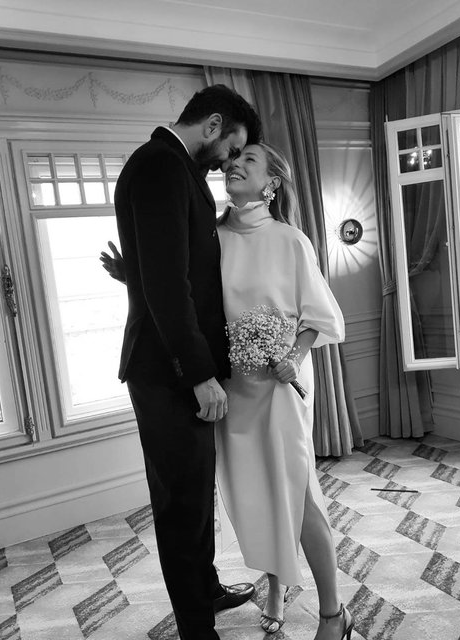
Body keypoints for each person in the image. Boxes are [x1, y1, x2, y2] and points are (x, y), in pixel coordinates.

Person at [103, 141, 354, 640]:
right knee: (255, 499)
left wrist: (293, 356)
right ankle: (276, 587)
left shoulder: (290, 241)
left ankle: (333, 613)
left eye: (249, 160)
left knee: (299, 495)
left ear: (272, 182)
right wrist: (133, 275)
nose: (234, 164)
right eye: (233, 159)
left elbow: (320, 318)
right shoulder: (210, 239)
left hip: (279, 390)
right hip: (229, 392)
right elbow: (177, 290)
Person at [111, 84, 262, 640]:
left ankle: (207, 589)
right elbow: (169, 286)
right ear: (213, 124)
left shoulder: (173, 167)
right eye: (231, 147)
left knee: (197, 496)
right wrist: (198, 374)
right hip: (168, 373)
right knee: (180, 504)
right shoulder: (161, 165)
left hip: (172, 366)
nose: (227, 161)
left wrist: (131, 274)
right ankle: (197, 629)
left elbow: (170, 268)